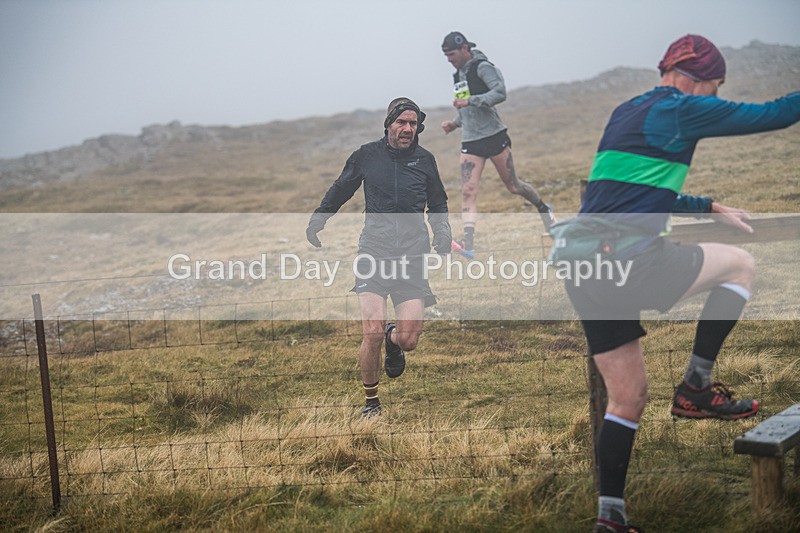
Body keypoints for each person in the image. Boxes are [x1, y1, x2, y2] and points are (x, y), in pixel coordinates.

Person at [549, 34, 800, 532]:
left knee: (628, 397)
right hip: (628, 263)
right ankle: (696, 388)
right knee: (740, 264)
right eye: (717, 86)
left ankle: (611, 519)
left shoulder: (628, 110)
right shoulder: (684, 108)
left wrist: (705, 205)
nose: (715, 97)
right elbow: (775, 114)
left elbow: (630, 188)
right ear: (702, 78)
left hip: (582, 266)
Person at [306, 97, 451, 418]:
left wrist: (442, 232)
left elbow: (438, 202)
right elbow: (341, 188)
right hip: (374, 251)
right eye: (402, 123)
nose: (407, 129)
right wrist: (320, 217)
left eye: (413, 124)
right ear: (389, 124)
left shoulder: (425, 160)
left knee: (409, 340)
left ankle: (393, 338)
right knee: (369, 331)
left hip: (412, 257)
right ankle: (371, 403)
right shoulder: (366, 156)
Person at [440, 31, 555, 259]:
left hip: (493, 136)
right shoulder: (458, 75)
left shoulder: (483, 67)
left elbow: (500, 93)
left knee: (514, 186)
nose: (449, 60)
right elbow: (465, 110)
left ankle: (544, 209)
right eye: (446, 56)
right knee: (468, 191)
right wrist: (454, 124)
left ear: (464, 49)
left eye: (452, 54)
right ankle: (469, 244)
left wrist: (472, 100)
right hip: (471, 139)